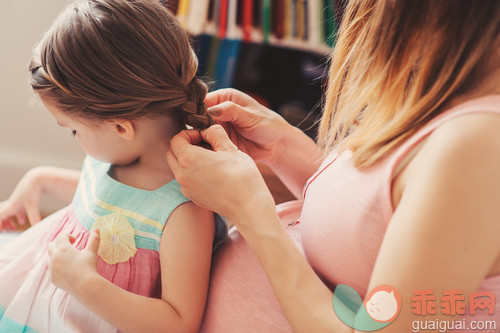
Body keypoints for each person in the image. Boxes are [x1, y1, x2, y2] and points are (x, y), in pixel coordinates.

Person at [45, 0, 500, 332]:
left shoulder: (479, 145)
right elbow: (378, 220)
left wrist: (252, 213)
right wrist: (287, 149)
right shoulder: (444, 95)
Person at [0, 0, 227, 332]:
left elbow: (179, 322)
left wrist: (85, 286)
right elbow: (105, 202)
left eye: (74, 130)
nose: (75, 138)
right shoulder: (115, 153)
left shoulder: (185, 210)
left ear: (121, 128)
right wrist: (39, 180)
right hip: (37, 291)